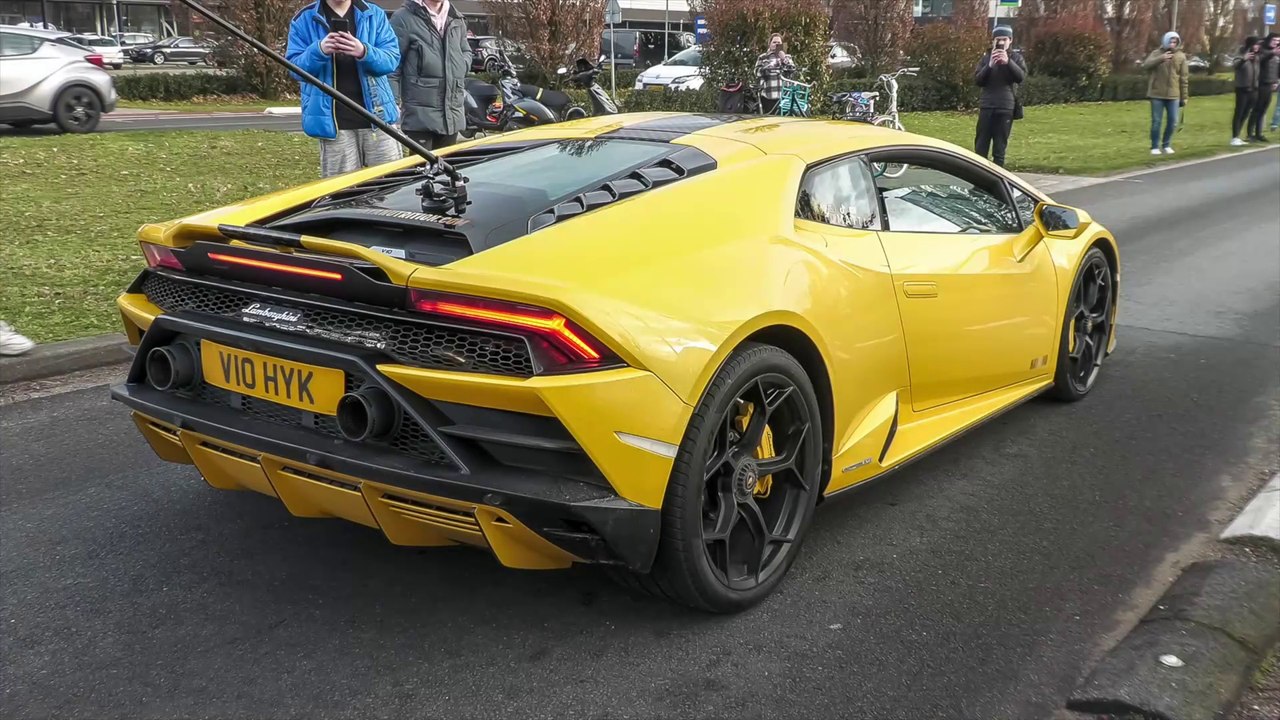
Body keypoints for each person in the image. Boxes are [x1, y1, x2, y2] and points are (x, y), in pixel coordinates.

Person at [285, 0, 403, 178]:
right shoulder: (304, 19)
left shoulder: (374, 14)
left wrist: (363, 51)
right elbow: (294, 68)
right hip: (334, 125)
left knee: (391, 188)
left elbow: (392, 59)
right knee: (342, 194)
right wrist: (319, 51)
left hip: (379, 120)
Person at [389, 0, 471, 150]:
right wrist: (392, 104)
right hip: (419, 118)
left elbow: (466, 51)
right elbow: (392, 66)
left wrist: (461, 66)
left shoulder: (456, 18)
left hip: (451, 114)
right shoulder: (403, 18)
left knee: (447, 170)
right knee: (422, 171)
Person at [973, 25, 1026, 167]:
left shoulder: (1016, 58)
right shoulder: (986, 58)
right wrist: (989, 65)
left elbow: (1020, 77)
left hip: (1005, 107)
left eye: (1004, 39)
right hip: (987, 106)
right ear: (993, 41)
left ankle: (997, 180)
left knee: (999, 148)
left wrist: (1008, 62)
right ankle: (978, 180)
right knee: (980, 146)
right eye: (998, 39)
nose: (1001, 43)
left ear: (1010, 40)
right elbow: (978, 81)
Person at [1142, 31, 1189, 155]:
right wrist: (1160, 59)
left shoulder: (1181, 56)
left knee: (1173, 121)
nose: (1172, 44)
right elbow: (1145, 65)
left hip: (1173, 94)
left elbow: (1184, 78)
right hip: (1157, 93)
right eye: (1170, 41)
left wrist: (1184, 96)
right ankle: (1154, 146)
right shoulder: (1156, 53)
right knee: (1156, 121)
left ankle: (1166, 144)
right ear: (1165, 41)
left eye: (1175, 42)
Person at [1247, 32, 1279, 140]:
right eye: (1274, 40)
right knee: (1256, 109)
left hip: (1270, 84)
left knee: (1263, 109)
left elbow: (1275, 68)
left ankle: (1259, 133)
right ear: (1269, 40)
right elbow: (1259, 60)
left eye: (1278, 41)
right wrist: (1272, 53)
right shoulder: (1262, 50)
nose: (1276, 43)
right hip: (1260, 83)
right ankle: (1250, 134)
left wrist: (1275, 81)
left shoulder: (1275, 53)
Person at [755, 33, 796, 115]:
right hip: (768, 94)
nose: (776, 44)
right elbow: (756, 72)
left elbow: (792, 70)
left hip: (784, 95)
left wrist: (784, 59)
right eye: (774, 42)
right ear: (769, 44)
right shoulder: (763, 57)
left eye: (778, 43)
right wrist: (766, 68)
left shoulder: (787, 57)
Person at [1231, 37, 1261, 146]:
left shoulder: (1257, 57)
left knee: (1246, 113)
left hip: (1253, 89)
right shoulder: (1241, 54)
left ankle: (1238, 136)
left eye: (1258, 45)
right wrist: (1244, 59)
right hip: (1242, 88)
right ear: (1250, 45)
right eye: (1256, 44)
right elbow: (1235, 66)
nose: (1257, 47)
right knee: (1239, 113)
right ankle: (1234, 137)